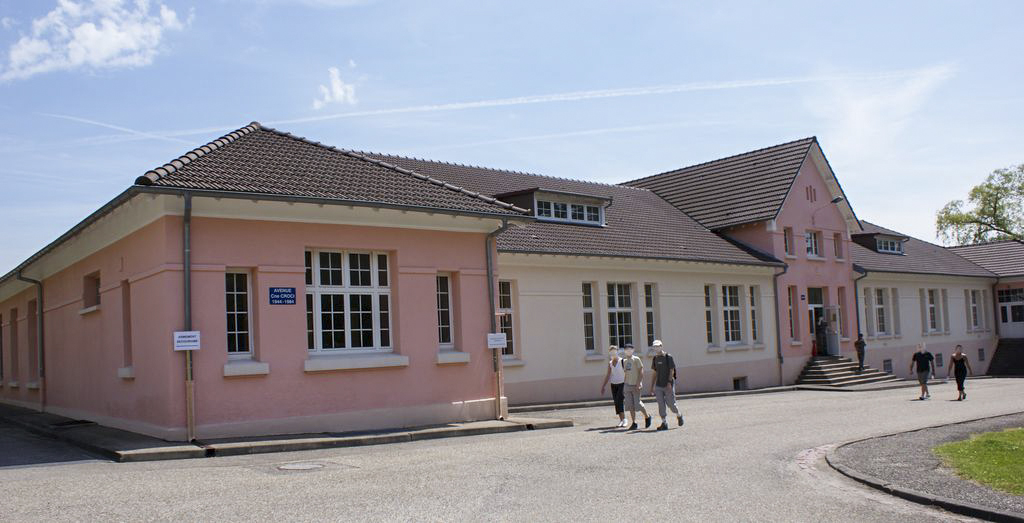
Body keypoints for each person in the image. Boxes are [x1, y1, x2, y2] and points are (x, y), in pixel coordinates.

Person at [647, 340, 684, 430]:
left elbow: (672, 370)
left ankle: (679, 415)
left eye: (658, 346)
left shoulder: (668, 357)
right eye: (654, 347)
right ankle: (664, 423)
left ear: (661, 346)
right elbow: (654, 373)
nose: (656, 348)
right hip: (659, 385)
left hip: (668, 384)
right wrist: (651, 386)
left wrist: (669, 382)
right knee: (661, 404)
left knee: (671, 404)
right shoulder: (655, 358)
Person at [621, 344, 652, 430]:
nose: (628, 350)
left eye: (630, 349)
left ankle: (647, 416)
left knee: (637, 403)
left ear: (633, 350)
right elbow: (626, 373)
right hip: (627, 384)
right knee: (630, 405)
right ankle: (634, 422)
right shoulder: (624, 361)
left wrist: (639, 382)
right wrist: (624, 384)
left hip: (635, 384)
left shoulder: (636, 359)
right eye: (626, 349)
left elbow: (641, 370)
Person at [600, 345, 627, 427]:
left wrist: (627, 383)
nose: (613, 353)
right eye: (611, 352)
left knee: (620, 400)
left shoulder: (622, 361)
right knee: (616, 402)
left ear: (617, 351)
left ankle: (625, 419)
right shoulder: (610, 363)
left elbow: (627, 372)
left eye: (614, 351)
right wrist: (603, 386)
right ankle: (621, 420)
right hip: (613, 384)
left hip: (622, 383)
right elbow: (608, 375)